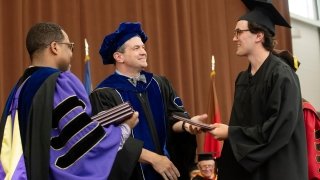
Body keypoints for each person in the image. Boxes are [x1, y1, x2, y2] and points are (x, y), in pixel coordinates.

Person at [0, 22, 141, 179]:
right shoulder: (57, 81)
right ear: (55, 47)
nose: (72, 53)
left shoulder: (20, 87)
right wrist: (124, 129)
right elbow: (82, 140)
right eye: (69, 46)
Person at [89, 22, 207, 180]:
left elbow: (173, 117)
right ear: (119, 56)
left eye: (143, 47)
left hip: (167, 171)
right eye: (136, 48)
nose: (144, 52)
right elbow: (109, 139)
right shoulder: (105, 93)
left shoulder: (159, 83)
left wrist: (187, 125)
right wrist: (154, 159)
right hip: (134, 174)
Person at [208, 0, 308, 179]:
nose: (234, 38)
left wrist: (231, 132)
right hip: (249, 172)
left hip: (277, 170)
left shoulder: (282, 76)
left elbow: (277, 129)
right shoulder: (243, 79)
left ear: (259, 36)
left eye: (239, 32)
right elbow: (243, 127)